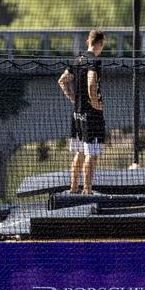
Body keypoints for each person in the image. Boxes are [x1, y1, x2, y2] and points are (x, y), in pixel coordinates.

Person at [58, 29, 105, 195]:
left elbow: (62, 81)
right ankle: (87, 190)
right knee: (91, 154)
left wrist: (73, 98)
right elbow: (92, 83)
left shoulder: (77, 59)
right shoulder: (94, 61)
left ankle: (73, 187)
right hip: (91, 115)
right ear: (101, 44)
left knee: (79, 151)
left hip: (77, 114)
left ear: (88, 42)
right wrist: (95, 104)